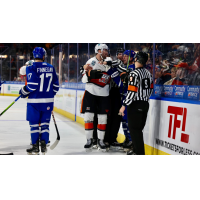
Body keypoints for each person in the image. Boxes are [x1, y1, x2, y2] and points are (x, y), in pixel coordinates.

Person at [19, 47, 59, 155]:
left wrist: (23, 91)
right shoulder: (51, 67)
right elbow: (56, 86)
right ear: (43, 56)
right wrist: (50, 95)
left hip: (34, 102)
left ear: (33, 56)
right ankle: (44, 145)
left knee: (34, 125)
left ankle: (35, 147)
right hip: (48, 101)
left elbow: (32, 85)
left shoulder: (31, 67)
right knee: (45, 124)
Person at [119, 51, 153, 155]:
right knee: (138, 130)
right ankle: (135, 150)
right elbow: (151, 90)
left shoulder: (134, 73)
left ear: (136, 59)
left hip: (135, 105)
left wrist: (124, 105)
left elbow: (131, 92)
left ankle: (139, 154)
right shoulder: (149, 73)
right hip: (145, 104)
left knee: (134, 130)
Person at [81, 43, 110, 152]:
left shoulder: (109, 61)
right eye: (104, 50)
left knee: (103, 118)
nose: (106, 52)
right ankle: (89, 139)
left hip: (104, 94)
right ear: (98, 51)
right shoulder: (91, 62)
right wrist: (90, 74)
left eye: (107, 50)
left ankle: (100, 140)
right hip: (91, 93)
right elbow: (83, 78)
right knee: (88, 117)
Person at [106, 50, 136, 151]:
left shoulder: (133, 68)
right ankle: (127, 138)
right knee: (123, 119)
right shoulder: (125, 66)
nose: (124, 57)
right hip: (122, 96)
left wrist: (112, 72)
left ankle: (131, 140)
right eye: (123, 56)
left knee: (128, 120)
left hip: (129, 97)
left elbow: (122, 83)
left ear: (132, 57)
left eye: (126, 56)